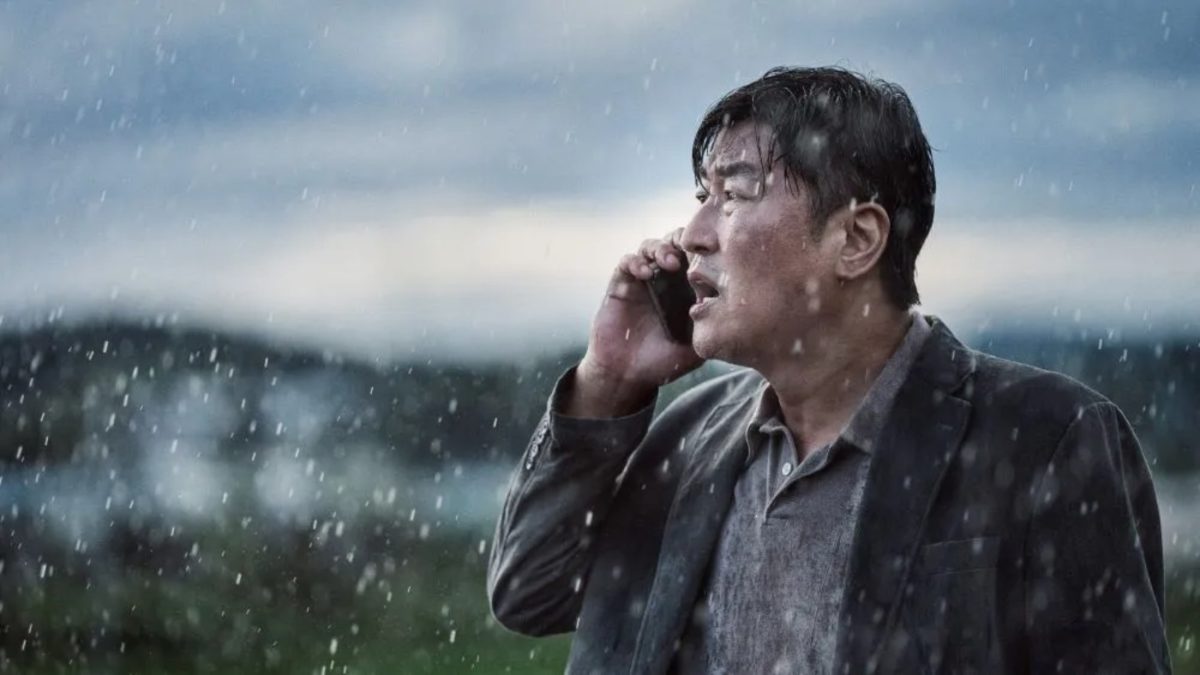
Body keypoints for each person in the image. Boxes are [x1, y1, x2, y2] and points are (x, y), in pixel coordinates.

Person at [486, 67, 1170, 674]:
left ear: (857, 238)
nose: (692, 234)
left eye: (735, 194)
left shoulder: (1045, 439)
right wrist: (607, 381)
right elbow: (528, 592)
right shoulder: (688, 439)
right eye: (701, 197)